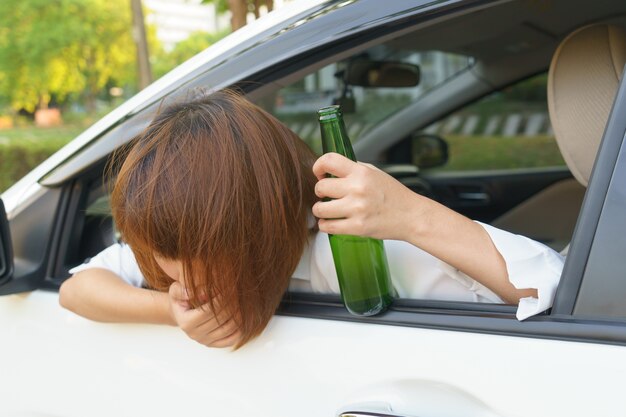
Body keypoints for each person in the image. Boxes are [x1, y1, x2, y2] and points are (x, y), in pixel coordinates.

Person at [59, 90, 564, 349]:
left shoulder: (357, 250)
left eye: (204, 256)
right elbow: (77, 288)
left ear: (263, 219)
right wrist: (168, 311)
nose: (188, 281)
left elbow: (556, 293)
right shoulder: (181, 251)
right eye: (169, 262)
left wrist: (410, 215)